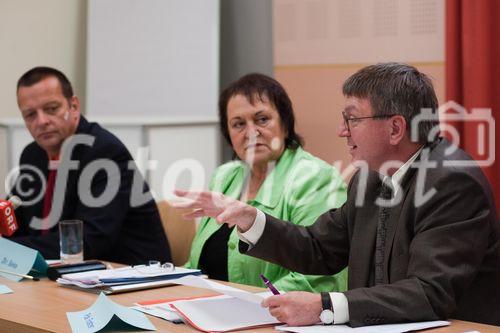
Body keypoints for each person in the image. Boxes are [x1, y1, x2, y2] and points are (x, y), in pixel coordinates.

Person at [173, 63, 500, 326]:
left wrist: (325, 306)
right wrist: (251, 220)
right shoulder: (369, 178)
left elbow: (429, 292)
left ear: (396, 129)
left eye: (352, 119)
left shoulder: (452, 182)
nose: (341, 131)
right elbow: (319, 248)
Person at [185, 73, 348, 292]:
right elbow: (197, 263)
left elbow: (321, 278)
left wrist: (251, 305)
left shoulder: (315, 177)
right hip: (205, 311)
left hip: (270, 318)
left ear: (285, 124)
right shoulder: (224, 176)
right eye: (238, 124)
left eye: (262, 119)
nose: (251, 133)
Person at [6, 66, 171, 265]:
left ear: (73, 106)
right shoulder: (32, 155)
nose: (42, 121)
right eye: (30, 115)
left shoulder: (104, 152)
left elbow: (86, 243)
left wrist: (8, 248)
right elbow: (15, 224)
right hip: (64, 277)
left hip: (133, 277)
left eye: (51, 109)